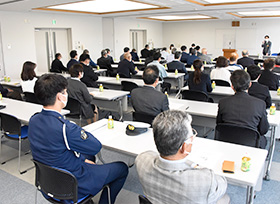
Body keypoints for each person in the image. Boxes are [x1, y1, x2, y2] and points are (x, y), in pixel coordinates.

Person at [29, 74, 128, 204]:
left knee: (88, 156)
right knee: (122, 168)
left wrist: (83, 159)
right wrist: (79, 132)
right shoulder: (66, 128)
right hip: (72, 183)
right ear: (59, 97)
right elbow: (96, 146)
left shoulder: (33, 119)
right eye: (65, 92)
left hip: (47, 180)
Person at [135, 110, 229, 204]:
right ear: (184, 146)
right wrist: (195, 166)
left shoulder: (141, 160)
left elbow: (154, 155)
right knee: (225, 199)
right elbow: (223, 183)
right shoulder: (207, 180)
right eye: (192, 134)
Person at [217, 70, 269, 149]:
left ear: (232, 86)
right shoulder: (260, 104)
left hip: (226, 140)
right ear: (250, 84)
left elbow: (219, 123)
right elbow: (263, 130)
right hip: (250, 143)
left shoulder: (223, 102)